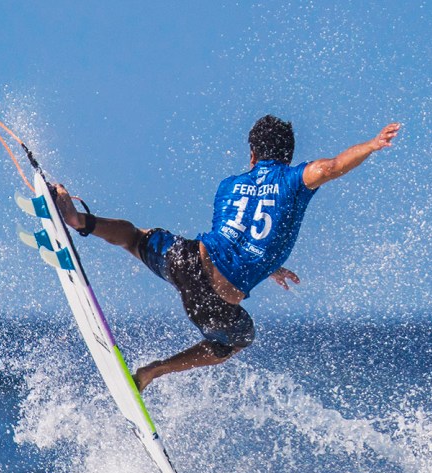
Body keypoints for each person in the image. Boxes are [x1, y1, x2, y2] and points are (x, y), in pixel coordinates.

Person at [53, 116, 401, 391]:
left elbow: (238, 236)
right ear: (289, 157)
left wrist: (272, 265)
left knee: (136, 237)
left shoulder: (230, 186)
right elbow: (330, 167)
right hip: (216, 302)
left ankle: (77, 218)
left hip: (186, 261)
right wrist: (371, 145)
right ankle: (152, 372)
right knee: (235, 340)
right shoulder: (294, 179)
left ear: (252, 155)